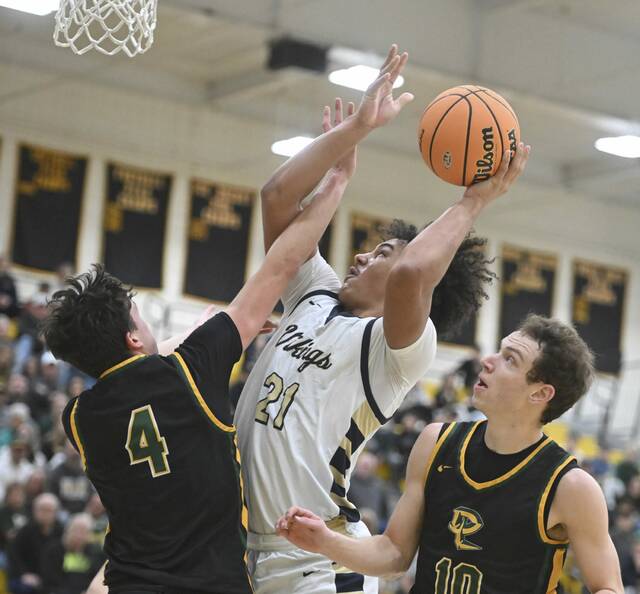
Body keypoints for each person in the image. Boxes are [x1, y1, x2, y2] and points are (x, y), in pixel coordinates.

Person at [41, 59, 375, 593]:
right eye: (141, 317)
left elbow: (141, 375)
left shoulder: (79, 418)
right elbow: (281, 263)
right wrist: (337, 181)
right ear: (132, 336)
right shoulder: (188, 370)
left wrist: (206, 328)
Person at [233, 44, 528, 594]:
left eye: (382, 250)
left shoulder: (395, 351)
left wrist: (473, 202)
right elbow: (277, 196)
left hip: (320, 563)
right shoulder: (313, 296)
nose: (364, 255)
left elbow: (412, 274)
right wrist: (350, 141)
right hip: (239, 550)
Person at [277, 315, 624, 594]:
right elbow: (395, 555)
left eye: (509, 359)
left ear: (540, 393)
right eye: (498, 350)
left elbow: (607, 586)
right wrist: (325, 541)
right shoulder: (435, 442)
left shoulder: (571, 486)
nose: (486, 362)